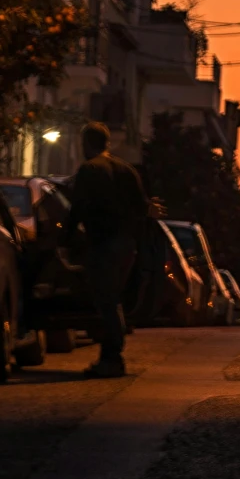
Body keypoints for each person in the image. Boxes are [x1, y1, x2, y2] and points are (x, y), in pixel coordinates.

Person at [64, 122, 147, 377]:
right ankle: (112, 355)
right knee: (113, 299)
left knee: (106, 300)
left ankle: (111, 358)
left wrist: (63, 240)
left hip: (102, 244)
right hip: (126, 245)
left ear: (86, 144)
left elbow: (76, 209)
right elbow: (142, 208)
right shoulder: (126, 169)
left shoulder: (89, 170)